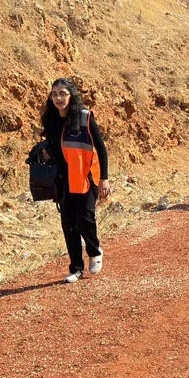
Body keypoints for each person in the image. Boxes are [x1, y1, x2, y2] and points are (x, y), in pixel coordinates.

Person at [41, 78, 110, 284]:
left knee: (85, 218)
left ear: (72, 95)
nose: (58, 98)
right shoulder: (50, 120)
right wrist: (46, 154)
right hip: (63, 179)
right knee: (68, 224)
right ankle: (76, 268)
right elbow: (55, 147)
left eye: (63, 93)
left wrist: (104, 179)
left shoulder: (84, 117)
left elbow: (101, 148)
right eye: (54, 94)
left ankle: (94, 250)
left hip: (86, 176)